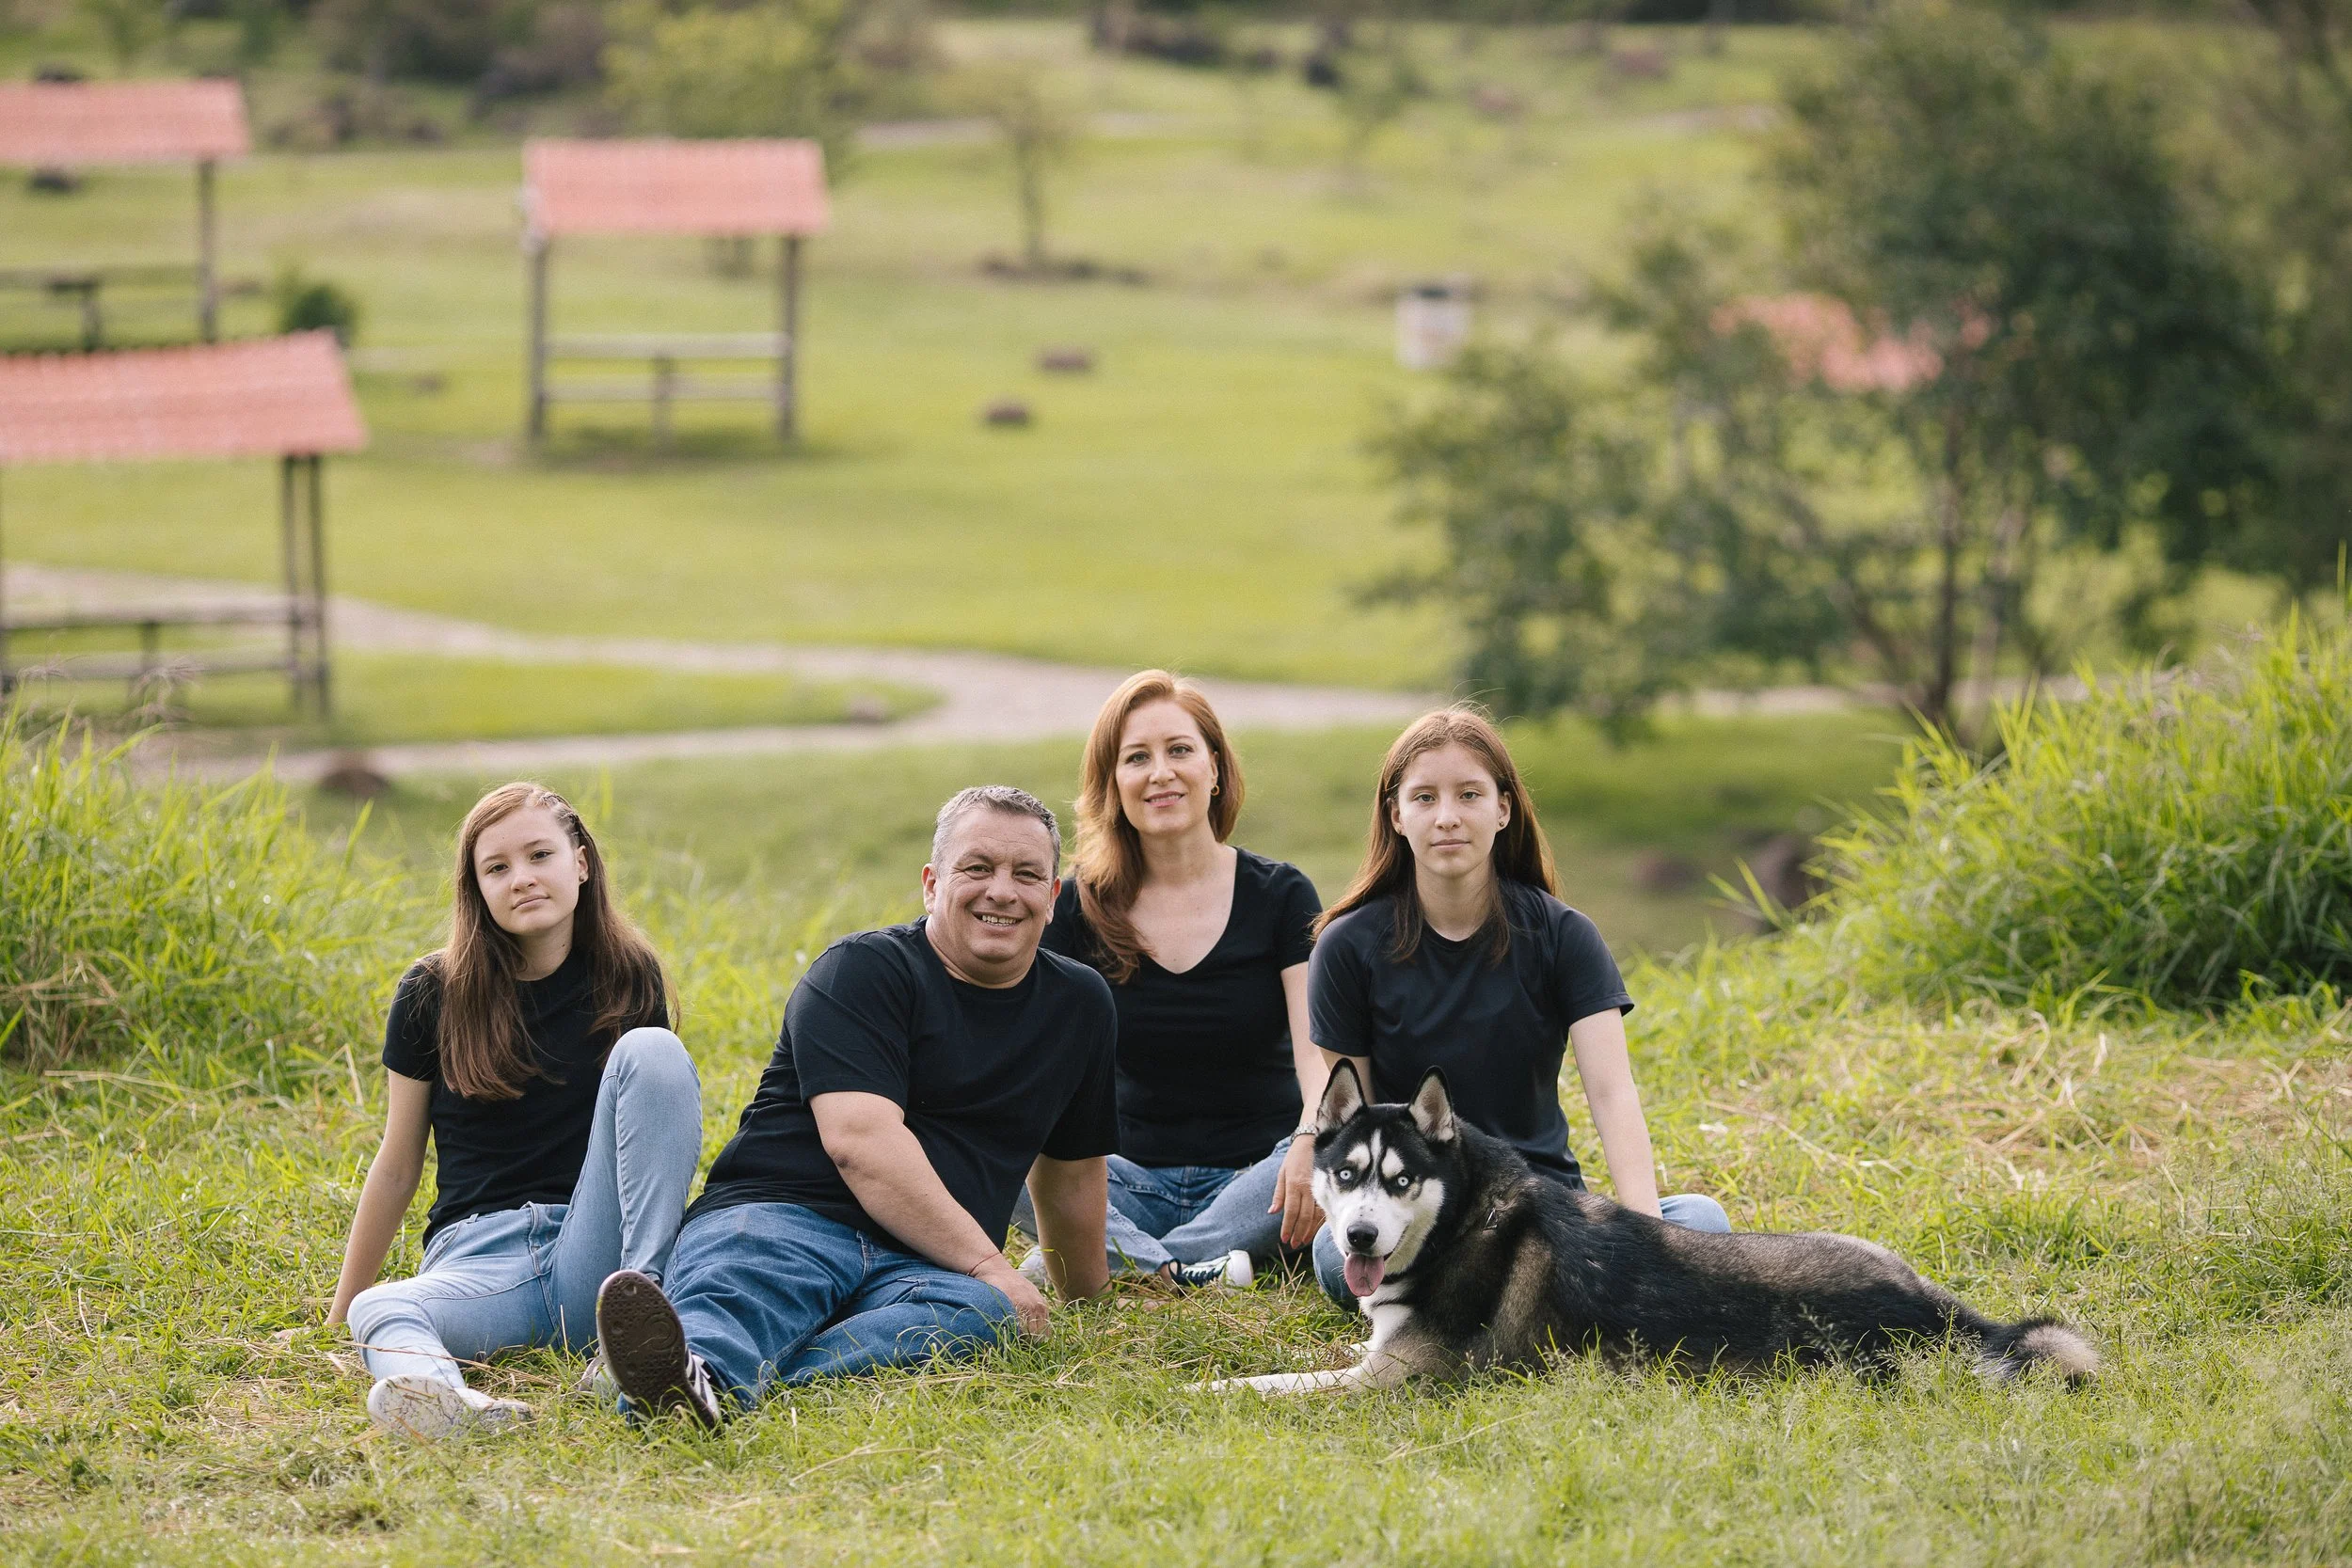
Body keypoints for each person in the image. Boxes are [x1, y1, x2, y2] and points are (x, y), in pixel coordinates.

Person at [590, 785, 1117, 1425]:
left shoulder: (1079, 1004)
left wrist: (1090, 1302)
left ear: (1053, 897)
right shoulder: (863, 970)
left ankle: (717, 1376)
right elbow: (861, 1144)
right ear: (932, 884)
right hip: (786, 1218)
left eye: (1027, 874)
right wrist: (990, 1264)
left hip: (925, 1264)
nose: (1001, 891)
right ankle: (688, 1384)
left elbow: (1070, 1172)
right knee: (740, 1289)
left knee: (985, 1314)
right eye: (977, 868)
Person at [1305, 708, 1729, 1307]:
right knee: (1333, 1259)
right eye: (1424, 797)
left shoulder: (1564, 936)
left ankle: (1503, 1299)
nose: (1447, 816)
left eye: (1469, 794)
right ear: (1396, 815)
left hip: (1545, 1209)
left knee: (1702, 1220)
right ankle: (1515, 1302)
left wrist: (1649, 1240)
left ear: (1503, 809)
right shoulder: (1346, 947)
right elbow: (1358, 1118)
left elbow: (1612, 1093)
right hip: (1415, 1218)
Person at [330, 783, 700, 1440]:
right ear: (477, 889)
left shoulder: (628, 974)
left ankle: (641, 1325)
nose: (521, 878)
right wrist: (339, 1314)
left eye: (539, 855)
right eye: (496, 867)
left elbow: (651, 1133)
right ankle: (454, 1408)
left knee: (655, 1051)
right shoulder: (432, 991)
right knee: (379, 1307)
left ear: (580, 862)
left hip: (594, 1255)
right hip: (479, 1263)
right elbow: (397, 1163)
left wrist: (631, 1275)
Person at [1013, 670, 1326, 1290]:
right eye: (1136, 758)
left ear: (1215, 768)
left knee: (1334, 1150)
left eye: (1179, 750)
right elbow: (1034, 1068)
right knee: (1005, 1144)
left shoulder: (1282, 895)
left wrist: (1312, 1137)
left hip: (1259, 1179)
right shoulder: (1074, 908)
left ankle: (1110, 1256)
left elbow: (1317, 1056)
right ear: (1113, 785)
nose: (1160, 773)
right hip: (1122, 1180)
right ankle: (1189, 1270)